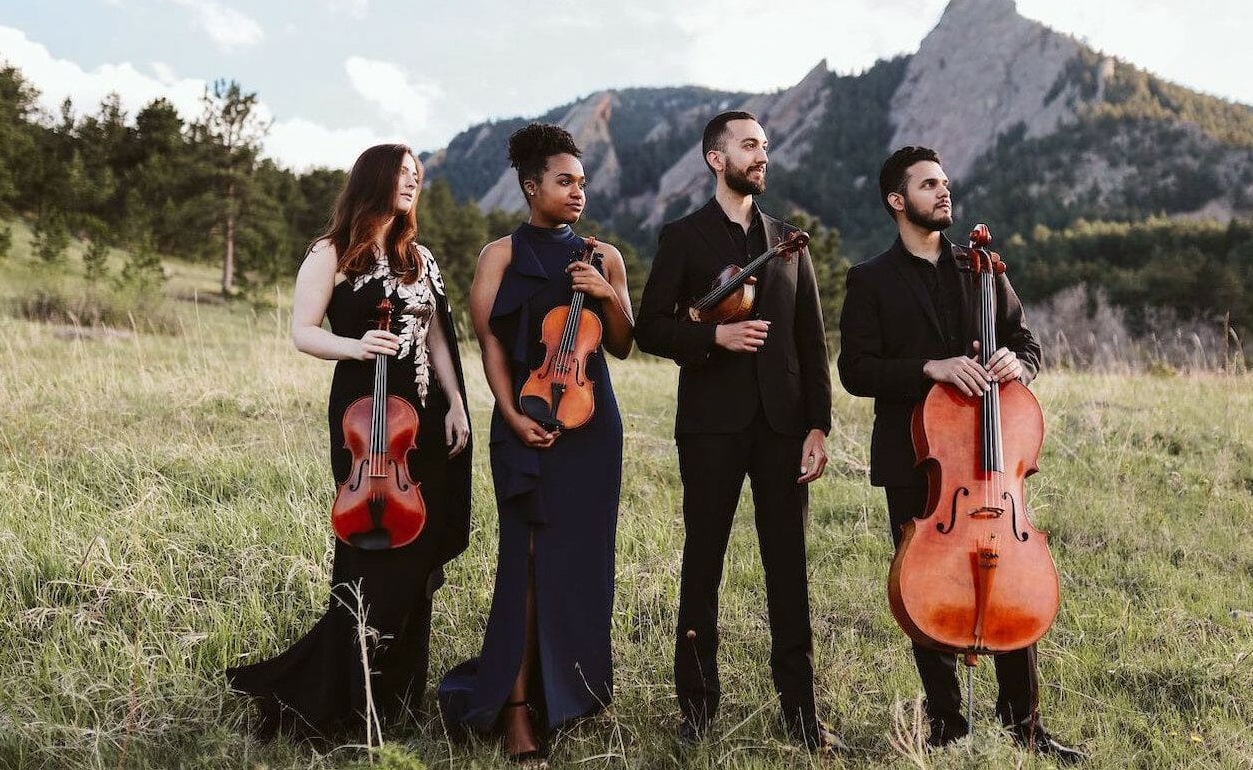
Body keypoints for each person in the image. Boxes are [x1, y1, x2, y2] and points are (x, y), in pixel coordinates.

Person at [837, 145, 1084, 763]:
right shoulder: (871, 279)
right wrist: (930, 367)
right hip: (918, 457)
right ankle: (948, 725)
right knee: (926, 581)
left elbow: (1027, 343)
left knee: (1010, 564)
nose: (943, 193)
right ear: (898, 200)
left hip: (991, 460)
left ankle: (1023, 723)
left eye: (945, 183)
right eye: (928, 185)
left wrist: (1015, 363)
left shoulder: (982, 268)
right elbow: (855, 369)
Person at [226, 143, 473, 743]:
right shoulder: (331, 252)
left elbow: (438, 337)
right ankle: (338, 692)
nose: (413, 183)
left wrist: (459, 403)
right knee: (374, 551)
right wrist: (357, 346)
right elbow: (303, 332)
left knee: (419, 557)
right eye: (403, 174)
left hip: (426, 421)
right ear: (375, 179)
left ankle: (395, 695)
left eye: (419, 176)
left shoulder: (419, 258)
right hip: (367, 420)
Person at [633, 110, 841, 753]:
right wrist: (713, 337)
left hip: (784, 428)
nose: (762, 156)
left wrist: (817, 425)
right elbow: (650, 328)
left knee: (788, 569)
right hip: (711, 428)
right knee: (704, 565)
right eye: (749, 146)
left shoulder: (787, 241)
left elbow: (810, 339)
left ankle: (801, 715)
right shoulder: (684, 236)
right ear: (715, 159)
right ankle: (697, 712)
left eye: (765, 147)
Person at [438, 123, 635, 766]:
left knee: (580, 561)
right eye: (564, 180)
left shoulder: (604, 257)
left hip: (591, 428)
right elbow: (490, 343)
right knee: (522, 564)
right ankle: (518, 708)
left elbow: (625, 342)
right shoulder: (498, 255)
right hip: (523, 420)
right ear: (531, 186)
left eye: (583, 181)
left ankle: (567, 697)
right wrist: (509, 413)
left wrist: (607, 296)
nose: (579, 191)